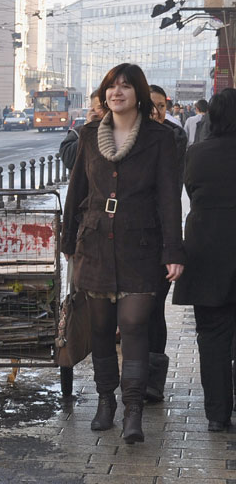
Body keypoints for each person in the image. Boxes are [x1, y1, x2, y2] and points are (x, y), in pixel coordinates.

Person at [61, 63, 184, 444]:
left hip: (141, 246)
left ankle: (133, 410)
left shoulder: (160, 138)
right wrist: (68, 242)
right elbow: (77, 191)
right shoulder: (88, 136)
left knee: (133, 325)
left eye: (126, 87)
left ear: (139, 94)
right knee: (100, 328)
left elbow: (169, 198)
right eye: (112, 87)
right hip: (95, 245)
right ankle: (105, 402)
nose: (117, 93)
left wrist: (173, 250)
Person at [172, 88, 236, 432]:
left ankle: (217, 415)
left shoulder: (196, 153)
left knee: (211, 335)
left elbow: (191, 192)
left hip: (206, 249)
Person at [139, 85, 187, 403]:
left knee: (154, 309)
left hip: (160, 237)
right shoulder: (124, 136)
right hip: (131, 240)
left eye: (161, 106)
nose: (156, 111)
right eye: (151, 105)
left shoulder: (173, 137)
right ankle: (132, 377)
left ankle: (153, 380)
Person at [59, 89, 106, 171]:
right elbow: (69, 160)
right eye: (101, 108)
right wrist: (89, 129)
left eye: (107, 106)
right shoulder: (77, 133)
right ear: (92, 110)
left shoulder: (121, 131)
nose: (106, 111)